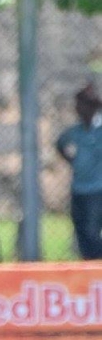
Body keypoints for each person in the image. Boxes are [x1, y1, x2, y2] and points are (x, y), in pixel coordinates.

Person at [55, 84, 102, 260]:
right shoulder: (75, 131)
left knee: (92, 231)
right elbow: (60, 143)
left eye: (82, 104)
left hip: (97, 188)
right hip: (79, 187)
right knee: (81, 231)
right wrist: (71, 160)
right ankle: (88, 265)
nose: (78, 109)